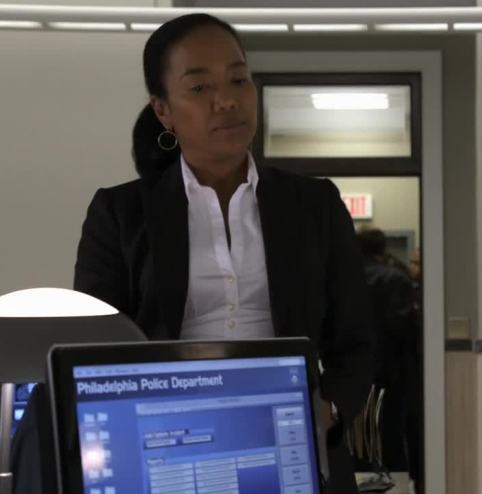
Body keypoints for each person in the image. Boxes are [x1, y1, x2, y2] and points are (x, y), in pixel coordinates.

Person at [12, 14, 374, 494]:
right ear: (163, 111)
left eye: (238, 79)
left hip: (293, 443)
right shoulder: (121, 214)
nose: (227, 100)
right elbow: (93, 350)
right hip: (165, 449)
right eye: (200, 88)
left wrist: (327, 410)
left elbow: (357, 338)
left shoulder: (314, 204)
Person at [354, 227, 417, 476]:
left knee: (356, 431)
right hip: (392, 368)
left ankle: (361, 474)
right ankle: (394, 479)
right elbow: (403, 327)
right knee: (391, 429)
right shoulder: (396, 279)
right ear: (382, 248)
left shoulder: (344, 279)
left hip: (352, 368)